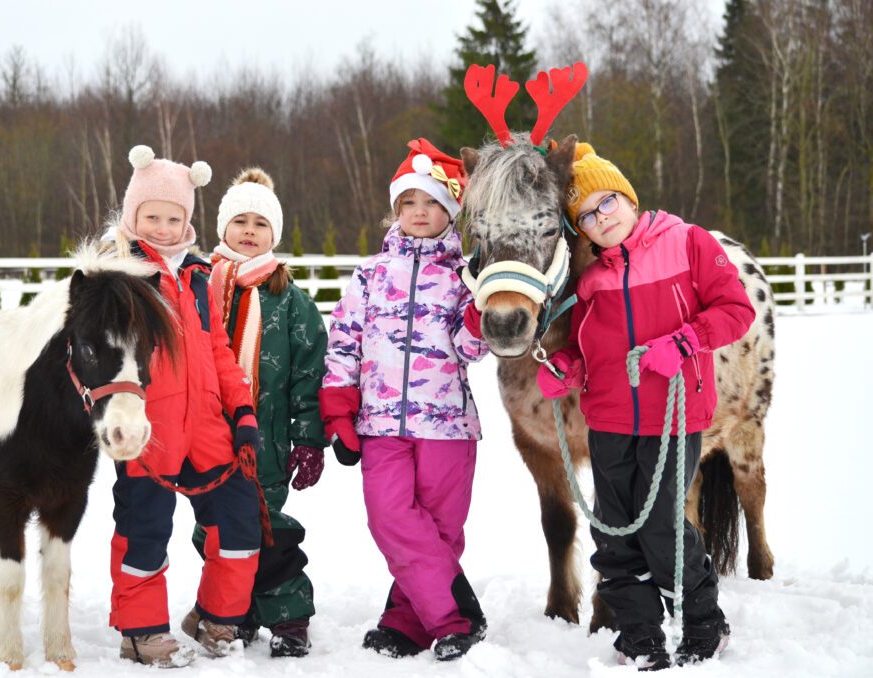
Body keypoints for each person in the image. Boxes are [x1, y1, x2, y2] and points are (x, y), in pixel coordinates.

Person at [538, 143, 755, 670]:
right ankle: (640, 633)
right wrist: (567, 366)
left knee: (660, 524)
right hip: (608, 420)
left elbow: (736, 309)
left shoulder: (687, 243)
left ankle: (704, 620)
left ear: (629, 198)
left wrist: (684, 342)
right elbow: (588, 349)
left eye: (606, 203)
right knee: (612, 531)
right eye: (586, 216)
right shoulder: (591, 281)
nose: (599, 219)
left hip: (675, 417)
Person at [319, 138, 490, 661]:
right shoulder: (371, 274)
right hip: (379, 423)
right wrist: (338, 410)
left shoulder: (465, 276)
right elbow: (344, 340)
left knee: (439, 531)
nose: (420, 213)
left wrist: (481, 309)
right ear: (396, 210)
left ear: (451, 211)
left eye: (432, 203)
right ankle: (457, 616)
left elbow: (471, 349)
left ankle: (404, 622)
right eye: (409, 203)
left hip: (448, 427)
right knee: (389, 517)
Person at [105, 145, 263, 667]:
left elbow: (218, 351)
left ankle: (216, 619)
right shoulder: (120, 275)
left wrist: (241, 413)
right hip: (151, 430)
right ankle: (140, 631)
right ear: (133, 216)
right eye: (152, 216)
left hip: (209, 428)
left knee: (238, 526)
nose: (164, 227)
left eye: (174, 217)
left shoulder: (198, 277)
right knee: (144, 528)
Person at [193, 167, 328, 658]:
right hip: (207, 436)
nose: (249, 231)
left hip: (266, 441)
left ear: (275, 234)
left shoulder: (289, 301)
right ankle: (241, 608)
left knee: (264, 525)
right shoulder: (200, 288)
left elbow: (309, 374)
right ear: (222, 228)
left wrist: (310, 438)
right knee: (211, 528)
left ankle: (289, 615)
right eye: (240, 221)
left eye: (261, 224)